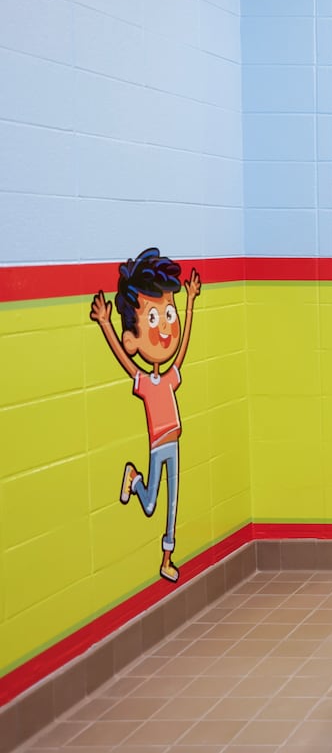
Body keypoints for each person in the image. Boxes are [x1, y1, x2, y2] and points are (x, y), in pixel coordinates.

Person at [89, 249, 202, 583]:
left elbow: (180, 351)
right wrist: (106, 323)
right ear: (132, 339)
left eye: (169, 313)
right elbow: (125, 363)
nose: (166, 326)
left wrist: (191, 301)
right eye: (153, 318)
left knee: (172, 503)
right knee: (151, 502)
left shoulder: (169, 377)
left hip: (174, 443)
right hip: (157, 447)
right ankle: (134, 480)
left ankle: (167, 555)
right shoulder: (145, 382)